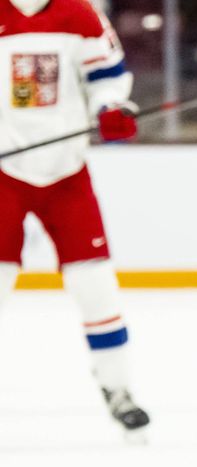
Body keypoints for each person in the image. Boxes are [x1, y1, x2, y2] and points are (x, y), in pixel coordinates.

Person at [0, 0, 148, 433]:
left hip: (66, 170)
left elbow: (108, 78)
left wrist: (109, 111)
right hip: (4, 174)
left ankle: (117, 388)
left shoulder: (79, 14)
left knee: (95, 284)